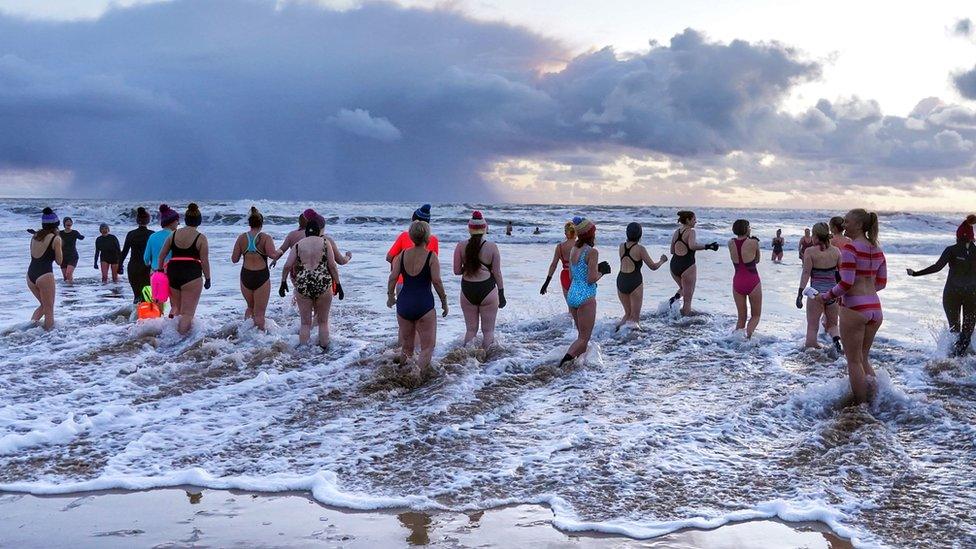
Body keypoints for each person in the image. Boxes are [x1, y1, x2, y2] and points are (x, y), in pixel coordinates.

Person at [818, 209, 886, 405]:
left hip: (855, 309)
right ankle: (877, 400)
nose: (844, 225)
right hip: (875, 308)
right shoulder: (877, 249)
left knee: (853, 361)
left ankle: (861, 406)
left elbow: (846, 283)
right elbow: (881, 283)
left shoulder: (850, 249)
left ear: (859, 225)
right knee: (864, 358)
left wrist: (826, 296)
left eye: (847, 222)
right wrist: (866, 292)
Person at [907, 215, 976, 356]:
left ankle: (951, 362)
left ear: (957, 236)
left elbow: (937, 267)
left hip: (951, 294)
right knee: (967, 331)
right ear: (972, 237)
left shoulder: (951, 249)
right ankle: (962, 361)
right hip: (972, 294)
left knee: (954, 330)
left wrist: (915, 273)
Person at [387, 220, 448, 373]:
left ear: (411, 236)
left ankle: (402, 374)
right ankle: (417, 378)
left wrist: (390, 296)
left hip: (404, 304)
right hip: (424, 305)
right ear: (428, 237)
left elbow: (393, 277)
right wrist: (444, 301)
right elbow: (437, 281)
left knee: (407, 347)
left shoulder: (402, 255)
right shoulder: (431, 257)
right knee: (427, 347)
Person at [560, 218, 611, 366]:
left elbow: (571, 275)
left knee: (580, 336)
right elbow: (591, 279)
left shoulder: (574, 250)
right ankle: (561, 366)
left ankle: (577, 367)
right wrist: (602, 272)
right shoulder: (592, 252)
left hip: (572, 294)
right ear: (590, 235)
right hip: (586, 296)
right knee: (583, 339)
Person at [283, 218, 340, 347]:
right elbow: (332, 265)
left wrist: (283, 282)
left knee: (305, 323)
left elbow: (287, 266)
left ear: (306, 232)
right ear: (319, 231)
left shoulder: (298, 244)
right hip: (323, 283)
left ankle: (304, 352)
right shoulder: (326, 243)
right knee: (323, 322)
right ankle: (324, 349)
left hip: (303, 284)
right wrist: (338, 284)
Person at [453, 211, 505, 349]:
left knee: (471, 330)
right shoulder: (492, 247)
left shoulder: (460, 245)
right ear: (485, 228)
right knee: (488, 331)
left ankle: (467, 360)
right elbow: (497, 273)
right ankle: (486, 363)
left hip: (467, 290)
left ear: (469, 228)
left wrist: (469, 267)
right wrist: (501, 293)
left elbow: (457, 271)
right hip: (487, 289)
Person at [158, 203, 211, 335]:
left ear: (185, 220)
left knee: (176, 308)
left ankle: (169, 334)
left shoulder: (174, 235)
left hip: (173, 273)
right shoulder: (201, 238)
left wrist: (160, 271)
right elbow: (204, 261)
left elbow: (162, 255)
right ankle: (180, 341)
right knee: (187, 314)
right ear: (199, 221)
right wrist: (208, 278)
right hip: (191, 274)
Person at [278, 208, 350, 297]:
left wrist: (283, 280)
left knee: (301, 296)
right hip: (320, 276)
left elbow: (286, 262)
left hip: (298, 274)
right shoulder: (327, 241)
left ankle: (293, 309)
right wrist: (348, 256)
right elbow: (339, 262)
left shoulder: (293, 236)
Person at [232, 206, 282, 330]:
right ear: (261, 224)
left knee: (250, 307)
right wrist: (281, 251)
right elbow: (273, 255)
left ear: (249, 224)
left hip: (246, 275)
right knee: (260, 314)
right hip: (261, 276)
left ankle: (245, 336)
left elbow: (234, 259)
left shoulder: (242, 238)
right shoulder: (266, 238)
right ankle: (258, 342)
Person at [796, 222, 842, 351]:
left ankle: (811, 352)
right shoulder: (836, 251)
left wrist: (800, 293)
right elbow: (841, 275)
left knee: (812, 326)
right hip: (832, 293)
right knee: (833, 325)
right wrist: (840, 293)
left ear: (815, 236)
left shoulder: (810, 252)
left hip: (815, 294)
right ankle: (838, 343)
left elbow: (806, 273)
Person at [615, 222, 667, 331]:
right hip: (634, 281)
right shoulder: (640, 249)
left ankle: (616, 333)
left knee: (627, 314)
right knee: (635, 318)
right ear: (640, 234)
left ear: (627, 233)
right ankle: (634, 343)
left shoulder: (621, 246)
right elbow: (653, 266)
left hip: (621, 280)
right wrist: (662, 260)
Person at [669, 211, 719, 316]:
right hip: (687, 265)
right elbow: (692, 246)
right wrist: (708, 246)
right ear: (688, 220)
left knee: (683, 288)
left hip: (674, 265)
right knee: (688, 300)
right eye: (694, 219)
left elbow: (672, 251)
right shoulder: (691, 231)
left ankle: (675, 299)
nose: (696, 221)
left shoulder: (676, 232)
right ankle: (685, 325)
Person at [27, 208, 63, 331]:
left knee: (43, 305)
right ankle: (50, 340)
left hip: (30, 275)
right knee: (49, 310)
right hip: (45, 275)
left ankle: (29, 330)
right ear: (56, 225)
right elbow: (59, 261)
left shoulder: (34, 236)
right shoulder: (55, 238)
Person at [387, 204, 439, 288]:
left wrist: (395, 266)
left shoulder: (404, 236)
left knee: (396, 256)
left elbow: (389, 257)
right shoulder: (434, 240)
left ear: (413, 220)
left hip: (403, 283)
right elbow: (434, 265)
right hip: (424, 286)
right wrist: (443, 298)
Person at [728, 220, 762, 338]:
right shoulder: (754, 242)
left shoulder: (730, 243)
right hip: (752, 280)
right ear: (746, 229)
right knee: (755, 316)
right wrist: (755, 243)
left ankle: (735, 340)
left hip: (737, 281)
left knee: (741, 318)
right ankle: (748, 338)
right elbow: (757, 260)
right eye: (749, 227)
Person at [119, 207, 154, 303]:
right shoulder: (152, 234)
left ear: (137, 220)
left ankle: (134, 316)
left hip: (133, 267)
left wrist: (119, 266)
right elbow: (155, 254)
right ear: (148, 220)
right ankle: (147, 317)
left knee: (137, 296)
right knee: (147, 297)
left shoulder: (131, 234)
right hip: (146, 268)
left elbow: (124, 252)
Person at [540, 221, 577, 312]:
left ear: (565, 233)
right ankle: (580, 325)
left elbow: (553, 265)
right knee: (580, 307)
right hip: (578, 275)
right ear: (576, 232)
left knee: (570, 307)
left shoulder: (560, 247)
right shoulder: (580, 245)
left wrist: (546, 283)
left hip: (565, 276)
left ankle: (569, 325)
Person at [58, 217, 84, 283]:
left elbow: (80, 237)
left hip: (73, 256)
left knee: (68, 274)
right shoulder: (60, 233)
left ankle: (71, 288)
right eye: (67, 221)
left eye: (70, 221)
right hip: (63, 257)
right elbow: (50, 235)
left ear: (72, 223)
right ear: (64, 223)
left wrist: (81, 237)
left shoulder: (74, 232)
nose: (68, 223)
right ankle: (69, 292)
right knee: (65, 277)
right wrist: (36, 233)